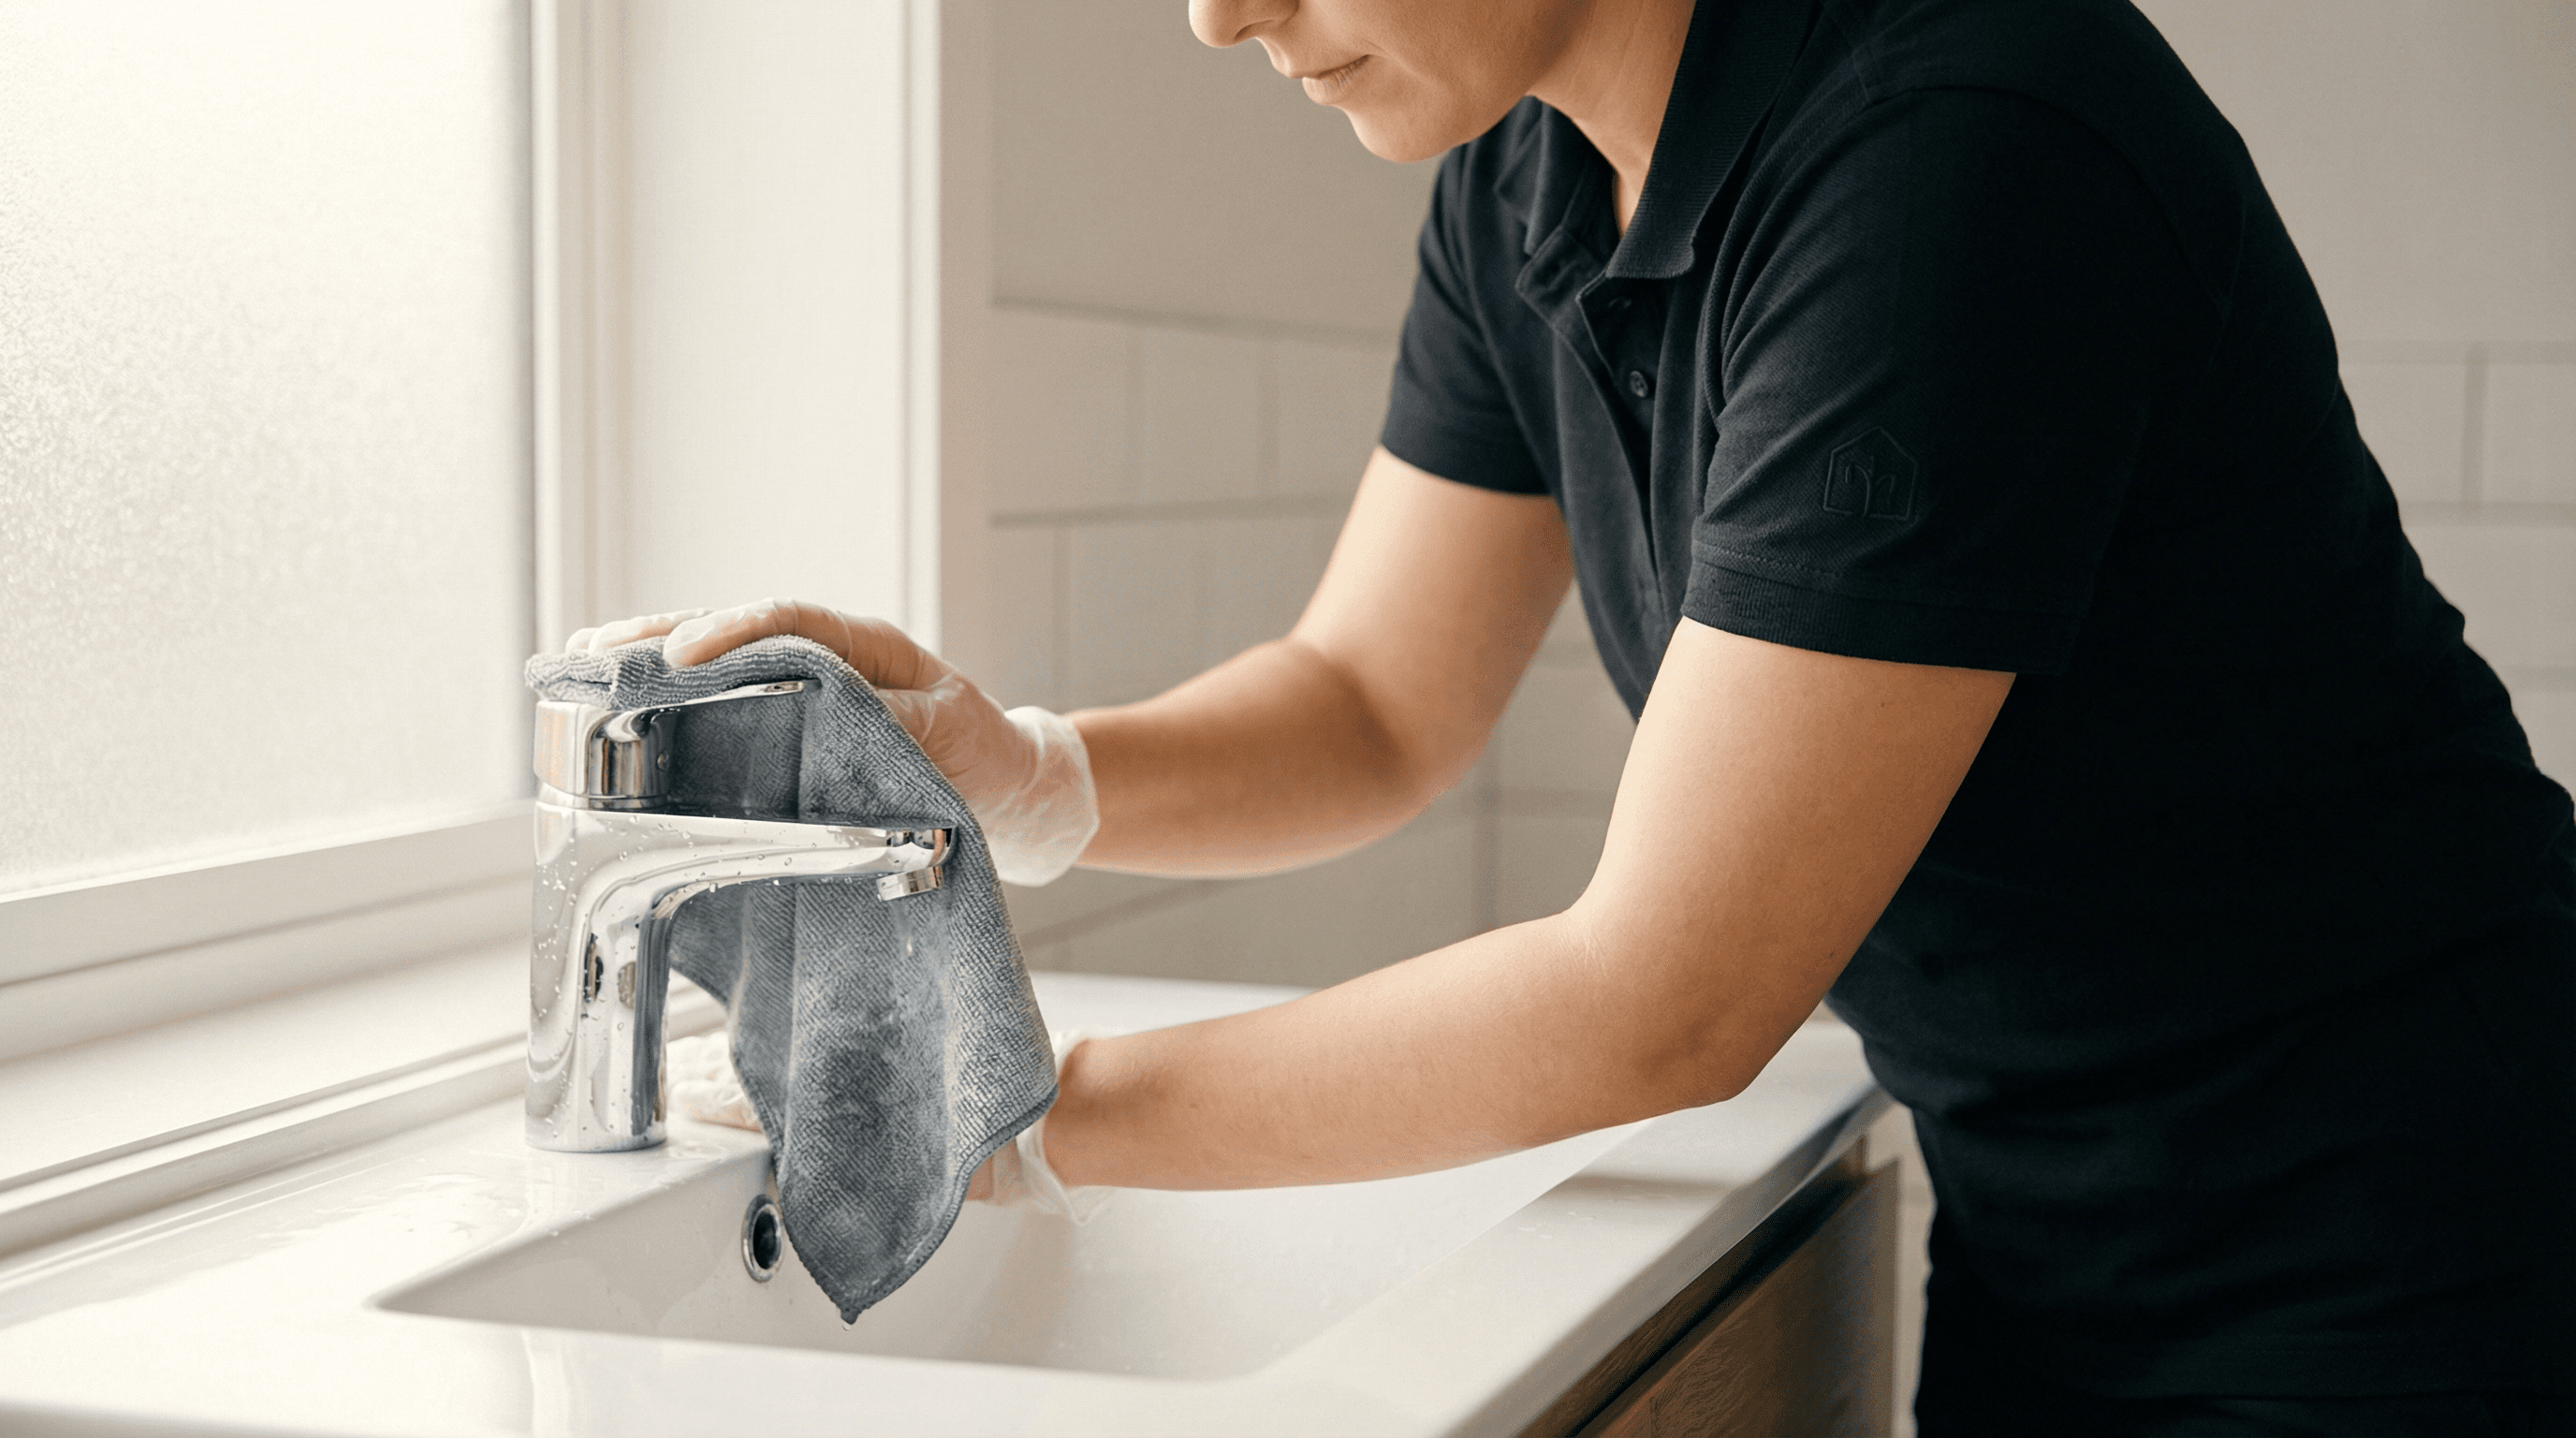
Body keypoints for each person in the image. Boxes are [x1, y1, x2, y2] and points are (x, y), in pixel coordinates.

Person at [569, 0, 2576, 1431]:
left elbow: (1666, 1001)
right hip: (2056, 1223)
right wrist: (1028, 777)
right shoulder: (1527, 172)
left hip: (2410, 1237)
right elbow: (1369, 703)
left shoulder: (1953, 145)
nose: (1214, 15)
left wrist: (1008, 1106)